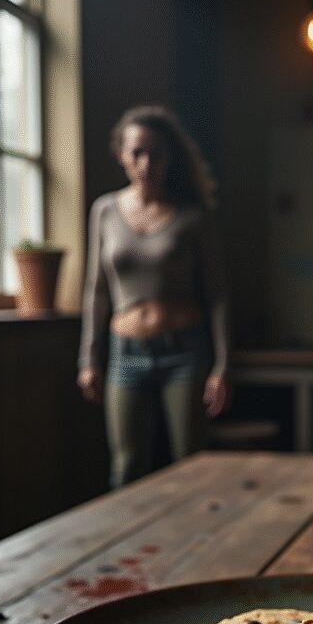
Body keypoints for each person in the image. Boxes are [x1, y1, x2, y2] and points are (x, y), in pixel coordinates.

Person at [77, 105, 231, 487]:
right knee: (126, 467)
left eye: (156, 153)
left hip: (184, 351)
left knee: (190, 464)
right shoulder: (105, 211)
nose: (147, 163)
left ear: (169, 157)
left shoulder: (193, 216)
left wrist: (223, 365)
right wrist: (89, 359)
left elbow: (218, 295)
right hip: (124, 353)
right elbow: (96, 290)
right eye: (137, 153)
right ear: (121, 158)